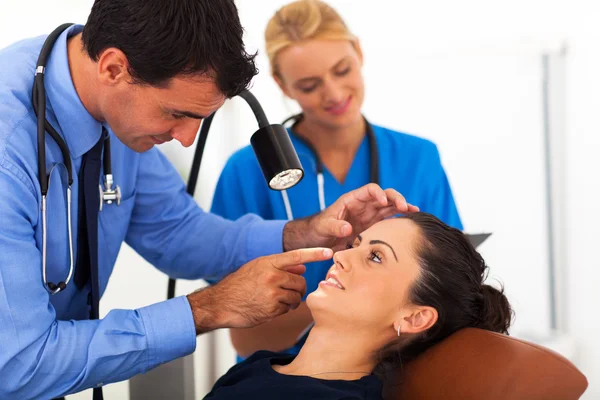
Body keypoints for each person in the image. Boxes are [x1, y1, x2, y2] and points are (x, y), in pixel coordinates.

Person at [0, 0, 419, 398]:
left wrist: (303, 233)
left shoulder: (116, 102)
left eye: (199, 119)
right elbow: (19, 365)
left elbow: (177, 232)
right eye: (176, 114)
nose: (184, 140)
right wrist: (209, 308)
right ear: (113, 68)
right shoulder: (9, 150)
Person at [210, 0, 463, 360]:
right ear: (282, 84)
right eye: (310, 85)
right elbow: (242, 332)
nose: (333, 93)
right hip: (277, 373)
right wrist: (336, 303)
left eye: (342, 70)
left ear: (358, 52)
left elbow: (448, 290)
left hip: (389, 371)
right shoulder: (247, 171)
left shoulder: (417, 159)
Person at [203, 213, 512, 399]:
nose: (341, 256)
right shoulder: (258, 366)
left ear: (415, 317)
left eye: (375, 257)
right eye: (355, 245)